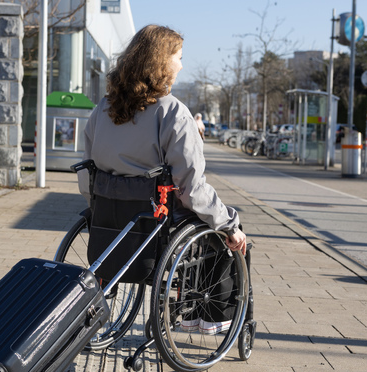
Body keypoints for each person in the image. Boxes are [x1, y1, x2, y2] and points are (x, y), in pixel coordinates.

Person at [78, 24, 247, 256]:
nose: (181, 65)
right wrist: (229, 224)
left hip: (107, 215)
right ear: (162, 62)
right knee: (228, 240)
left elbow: (87, 172)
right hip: (157, 221)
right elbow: (192, 189)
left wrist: (98, 204)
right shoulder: (172, 112)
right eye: (178, 57)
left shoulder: (104, 108)